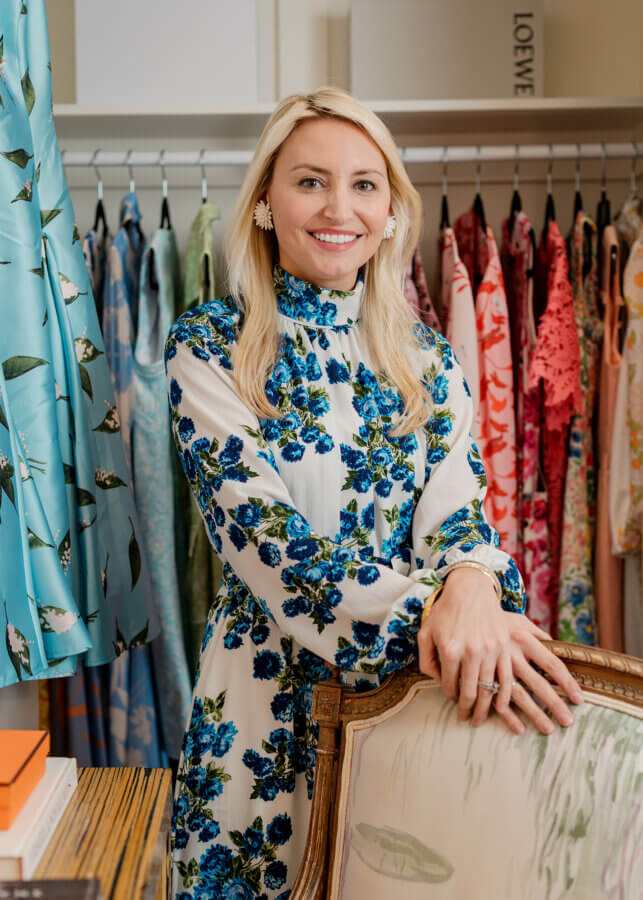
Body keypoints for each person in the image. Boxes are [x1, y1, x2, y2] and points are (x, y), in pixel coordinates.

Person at [165, 87, 583, 899]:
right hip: (261, 696)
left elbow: (459, 514)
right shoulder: (209, 344)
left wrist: (468, 581)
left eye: (364, 184)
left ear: (392, 212)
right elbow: (261, 533)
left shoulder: (426, 359)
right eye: (310, 180)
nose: (338, 207)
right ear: (263, 202)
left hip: (406, 700)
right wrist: (439, 612)